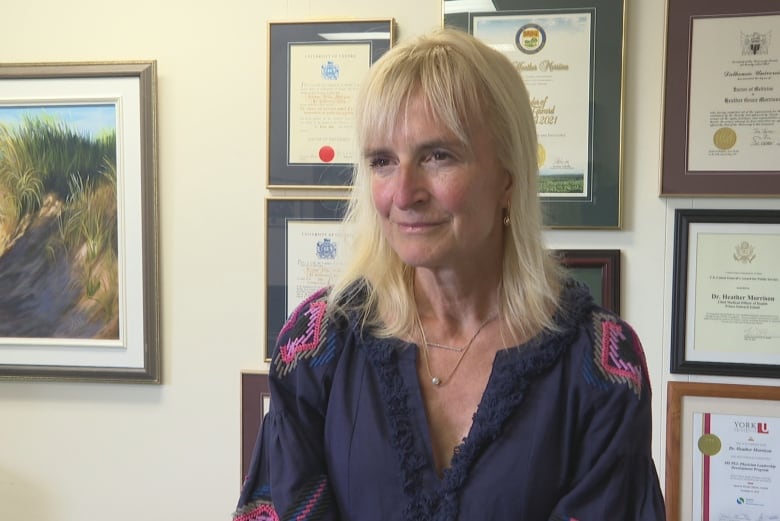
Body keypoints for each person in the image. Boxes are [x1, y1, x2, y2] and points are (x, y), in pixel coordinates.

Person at [234, 28, 666, 521]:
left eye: (438, 156)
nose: (403, 193)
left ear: (508, 175)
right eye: (382, 161)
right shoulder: (316, 344)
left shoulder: (601, 367)